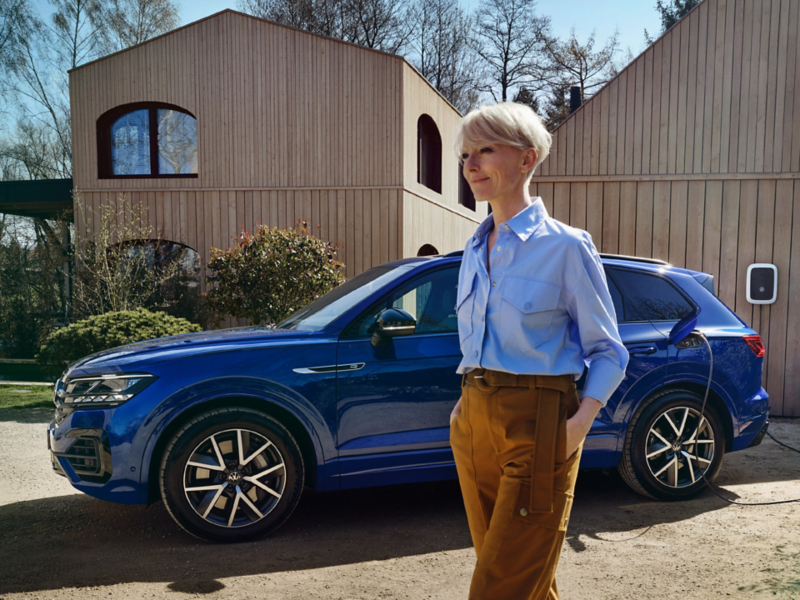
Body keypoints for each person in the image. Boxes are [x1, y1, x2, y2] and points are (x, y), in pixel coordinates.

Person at [449, 102, 629, 600]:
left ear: (527, 159)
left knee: (498, 588)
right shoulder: (472, 248)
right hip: (474, 421)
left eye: (486, 149)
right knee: (522, 577)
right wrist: (465, 406)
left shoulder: (567, 247)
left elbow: (609, 351)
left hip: (541, 421)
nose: (471, 164)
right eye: (466, 153)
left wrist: (579, 425)